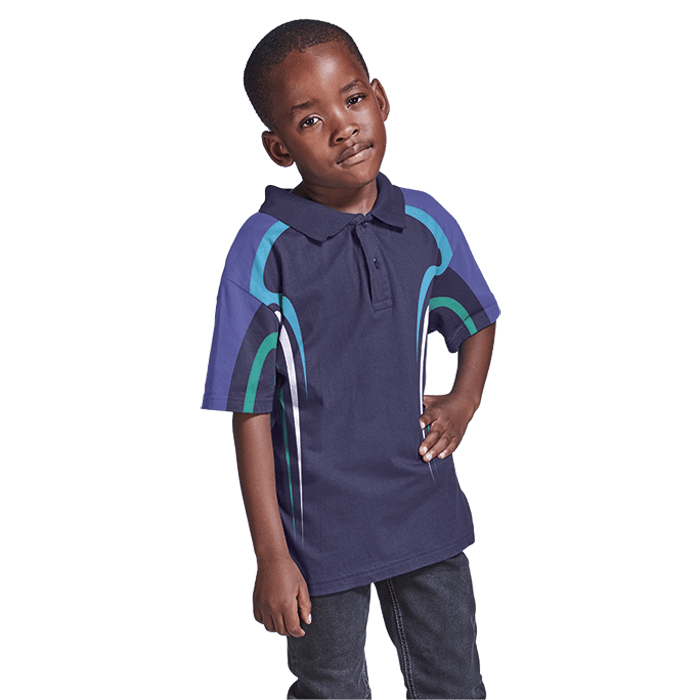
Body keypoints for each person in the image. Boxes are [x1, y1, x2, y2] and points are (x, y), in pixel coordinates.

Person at [201, 18, 500, 700]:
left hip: (425, 511)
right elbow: (249, 411)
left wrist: (463, 401)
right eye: (310, 120)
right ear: (278, 147)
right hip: (317, 534)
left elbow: (477, 320)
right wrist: (272, 556)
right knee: (330, 687)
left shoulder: (426, 222)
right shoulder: (263, 251)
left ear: (381, 100)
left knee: (455, 682)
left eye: (354, 99)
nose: (343, 128)